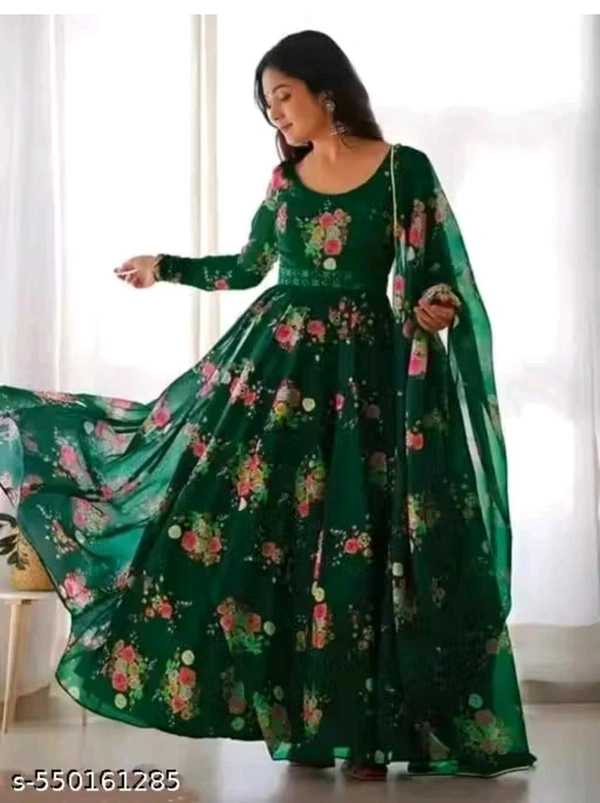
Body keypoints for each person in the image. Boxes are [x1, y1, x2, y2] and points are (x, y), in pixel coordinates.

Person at [0, 29, 536, 782]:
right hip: (276, 380)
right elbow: (251, 266)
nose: (276, 114)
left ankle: (366, 731)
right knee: (271, 539)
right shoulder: (285, 181)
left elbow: (436, 276)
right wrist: (165, 266)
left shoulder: (402, 172)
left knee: (363, 541)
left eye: (283, 96)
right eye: (267, 104)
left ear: (326, 89)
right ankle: (308, 722)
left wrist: (435, 305)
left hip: (368, 384)